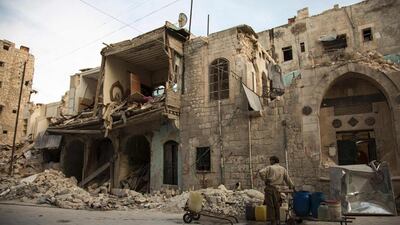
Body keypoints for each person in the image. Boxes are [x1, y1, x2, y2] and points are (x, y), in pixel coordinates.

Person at [258, 156, 295, 225]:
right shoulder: (283, 169)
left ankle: (273, 221)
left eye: (270, 160)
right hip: (278, 189)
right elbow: (288, 179)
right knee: (277, 205)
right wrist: (292, 187)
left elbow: (261, 172)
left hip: (270, 188)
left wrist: (265, 179)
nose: (270, 162)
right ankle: (278, 220)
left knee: (270, 205)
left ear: (273, 161)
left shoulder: (270, 167)